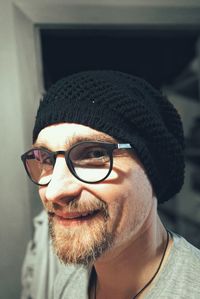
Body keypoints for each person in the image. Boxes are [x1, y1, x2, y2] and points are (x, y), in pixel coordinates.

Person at [21, 70, 200, 299]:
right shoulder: (68, 279)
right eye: (46, 159)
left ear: (153, 171)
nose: (55, 191)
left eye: (94, 154)